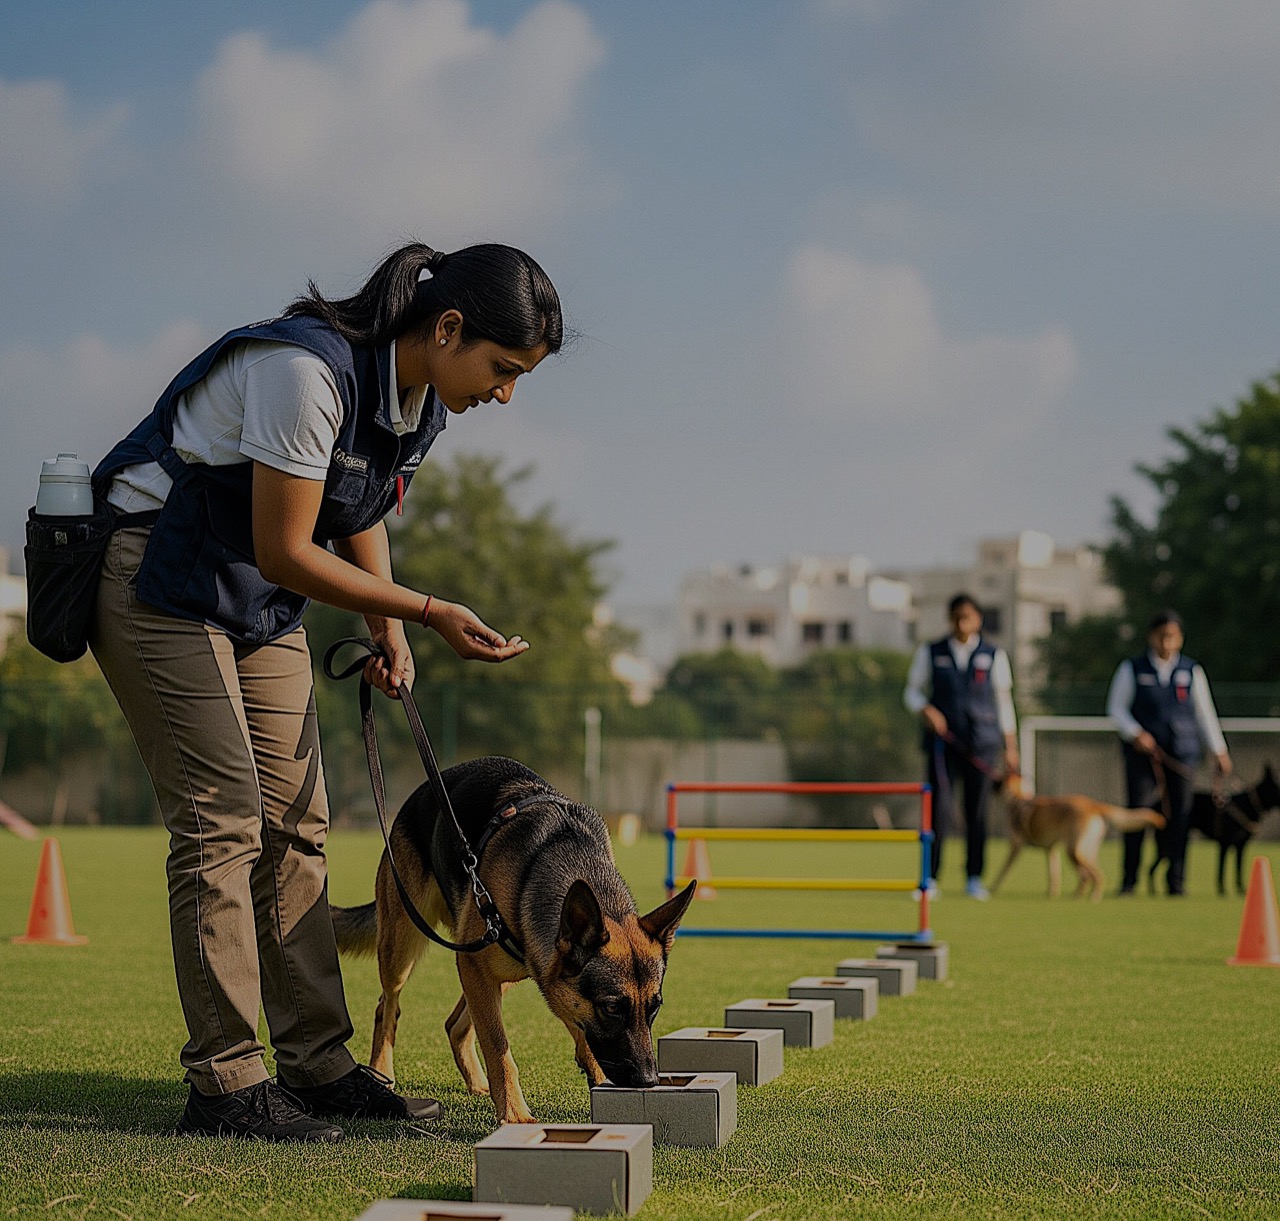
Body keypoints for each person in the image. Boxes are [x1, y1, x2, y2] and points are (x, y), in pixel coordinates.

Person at [87, 241, 562, 1142]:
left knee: (299, 821)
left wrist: (387, 627)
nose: (505, 394)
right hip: (154, 567)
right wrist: (426, 610)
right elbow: (286, 548)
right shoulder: (303, 372)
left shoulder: (420, 403)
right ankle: (227, 1083)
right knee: (223, 820)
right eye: (503, 369)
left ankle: (317, 1065)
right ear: (447, 327)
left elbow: (362, 506)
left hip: (250, 592)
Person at [1106, 609, 1231, 896]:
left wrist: (1219, 750)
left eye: (1172, 636)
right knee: (1137, 814)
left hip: (1181, 757)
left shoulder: (1191, 671)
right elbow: (1116, 708)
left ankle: (1176, 882)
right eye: (1162, 636)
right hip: (1142, 757)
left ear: (1180, 639)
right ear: (1151, 637)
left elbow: (1205, 714)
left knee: (1181, 817)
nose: (1166, 642)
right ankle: (1129, 881)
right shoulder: (1132, 668)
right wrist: (1135, 733)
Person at [903, 593, 1019, 900]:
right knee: (938, 810)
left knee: (977, 811)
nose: (962, 622)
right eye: (957, 616)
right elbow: (912, 692)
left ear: (978, 619)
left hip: (982, 745)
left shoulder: (994, 655)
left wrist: (1010, 745)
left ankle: (974, 877)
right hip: (942, 745)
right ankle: (930, 878)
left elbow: (1004, 702)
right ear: (950, 618)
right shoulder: (931, 651)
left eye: (968, 616)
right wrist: (926, 710)